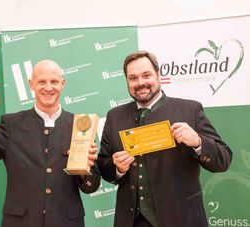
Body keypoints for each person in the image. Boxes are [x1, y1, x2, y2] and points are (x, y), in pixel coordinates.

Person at [97, 51, 232, 227]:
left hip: (181, 219)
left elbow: (223, 160)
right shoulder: (114, 116)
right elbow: (104, 165)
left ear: (158, 75)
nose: (140, 83)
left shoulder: (190, 110)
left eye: (146, 75)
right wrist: (117, 169)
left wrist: (198, 142)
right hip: (132, 221)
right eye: (133, 78)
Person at [0, 59, 101, 227]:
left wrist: (84, 171)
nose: (48, 88)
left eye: (54, 82)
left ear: (62, 84)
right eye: (41, 81)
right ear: (31, 84)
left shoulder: (80, 124)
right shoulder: (11, 124)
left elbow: (91, 187)